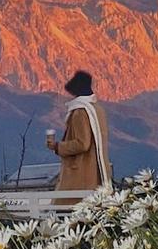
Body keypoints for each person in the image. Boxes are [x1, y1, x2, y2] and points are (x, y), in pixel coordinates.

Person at [47, 70, 112, 199]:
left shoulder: (80, 112)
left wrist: (57, 146)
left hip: (80, 174)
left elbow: (82, 143)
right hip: (95, 173)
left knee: (66, 209)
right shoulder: (97, 110)